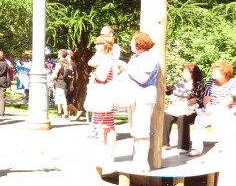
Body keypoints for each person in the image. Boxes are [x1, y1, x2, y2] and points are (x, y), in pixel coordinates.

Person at [122, 31, 159, 170]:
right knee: (135, 130)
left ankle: (143, 162)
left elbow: (143, 78)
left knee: (142, 130)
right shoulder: (135, 57)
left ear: (139, 43)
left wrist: (126, 67)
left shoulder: (149, 57)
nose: (130, 44)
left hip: (144, 97)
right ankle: (137, 159)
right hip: (133, 98)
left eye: (132, 41)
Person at [189, 59, 236, 157]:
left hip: (227, 110)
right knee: (199, 120)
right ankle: (196, 148)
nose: (212, 73)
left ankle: (223, 146)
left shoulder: (233, 83)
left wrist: (215, 110)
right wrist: (208, 107)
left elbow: (229, 100)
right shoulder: (211, 82)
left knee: (219, 118)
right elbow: (206, 97)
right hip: (211, 109)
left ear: (224, 73)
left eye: (215, 71)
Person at [87, 36, 118, 165]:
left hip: (104, 94)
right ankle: (107, 153)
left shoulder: (107, 59)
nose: (95, 46)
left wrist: (94, 76)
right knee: (105, 125)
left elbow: (102, 77)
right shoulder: (104, 57)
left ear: (103, 45)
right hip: (103, 94)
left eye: (98, 44)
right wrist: (98, 52)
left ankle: (109, 153)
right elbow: (91, 62)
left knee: (108, 125)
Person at [162, 63, 203, 153]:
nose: (183, 74)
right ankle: (164, 143)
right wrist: (163, 82)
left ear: (192, 73)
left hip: (191, 109)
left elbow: (198, 98)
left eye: (185, 72)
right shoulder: (178, 82)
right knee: (166, 116)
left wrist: (183, 104)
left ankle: (183, 146)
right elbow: (168, 91)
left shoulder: (198, 85)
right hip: (176, 107)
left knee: (182, 118)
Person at [49, 49, 72, 119]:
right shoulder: (68, 63)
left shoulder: (59, 64)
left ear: (60, 55)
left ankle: (66, 115)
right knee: (59, 98)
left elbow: (54, 74)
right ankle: (59, 114)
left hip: (60, 82)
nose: (57, 55)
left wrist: (48, 81)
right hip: (66, 82)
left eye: (58, 54)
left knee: (62, 99)